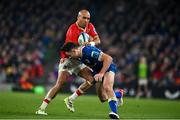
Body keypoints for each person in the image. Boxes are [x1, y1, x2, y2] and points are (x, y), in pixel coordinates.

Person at [35, 9, 101, 115]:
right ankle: (41, 109)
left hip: (79, 60)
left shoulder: (90, 26)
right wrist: (82, 47)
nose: (86, 20)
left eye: (88, 18)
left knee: (91, 80)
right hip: (68, 59)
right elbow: (69, 50)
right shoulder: (72, 30)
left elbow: (98, 40)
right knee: (59, 84)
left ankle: (70, 99)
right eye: (84, 18)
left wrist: (90, 44)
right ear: (78, 17)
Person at [61, 42, 122, 119]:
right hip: (97, 71)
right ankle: (118, 94)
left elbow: (108, 58)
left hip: (108, 67)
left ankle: (115, 113)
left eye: (69, 55)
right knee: (103, 98)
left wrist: (101, 73)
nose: (69, 57)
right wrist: (64, 59)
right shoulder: (78, 54)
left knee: (107, 87)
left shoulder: (89, 52)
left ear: (74, 51)